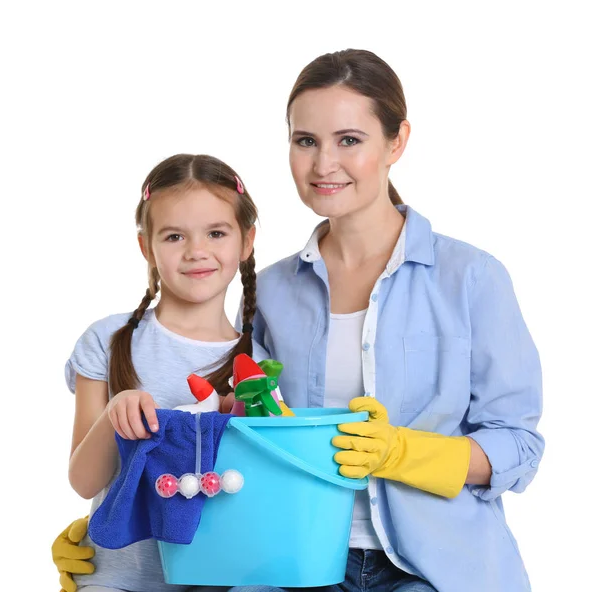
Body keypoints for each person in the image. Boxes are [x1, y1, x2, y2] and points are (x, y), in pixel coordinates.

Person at [53, 50, 544, 592]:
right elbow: (243, 436)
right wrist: (121, 530)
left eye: (349, 140)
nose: (323, 164)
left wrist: (404, 453)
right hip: (293, 558)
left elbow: (519, 448)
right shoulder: (272, 293)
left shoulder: (471, 278)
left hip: (437, 566)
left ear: (397, 141)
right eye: (305, 140)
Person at [55, 153, 266, 592]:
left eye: (216, 232)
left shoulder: (257, 367)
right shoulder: (109, 340)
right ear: (145, 246)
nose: (196, 252)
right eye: (173, 236)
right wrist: (115, 413)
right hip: (114, 579)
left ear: (246, 241)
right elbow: (83, 481)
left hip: (218, 582)